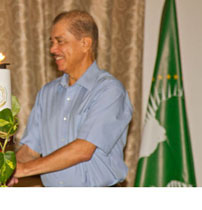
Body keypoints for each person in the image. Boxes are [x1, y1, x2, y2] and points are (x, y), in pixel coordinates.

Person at [14, 10, 133, 187]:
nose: (52, 49)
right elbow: (30, 150)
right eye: (52, 42)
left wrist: (24, 170)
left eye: (60, 41)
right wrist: (1, 170)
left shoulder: (109, 90)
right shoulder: (47, 93)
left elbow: (83, 150)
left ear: (85, 43)